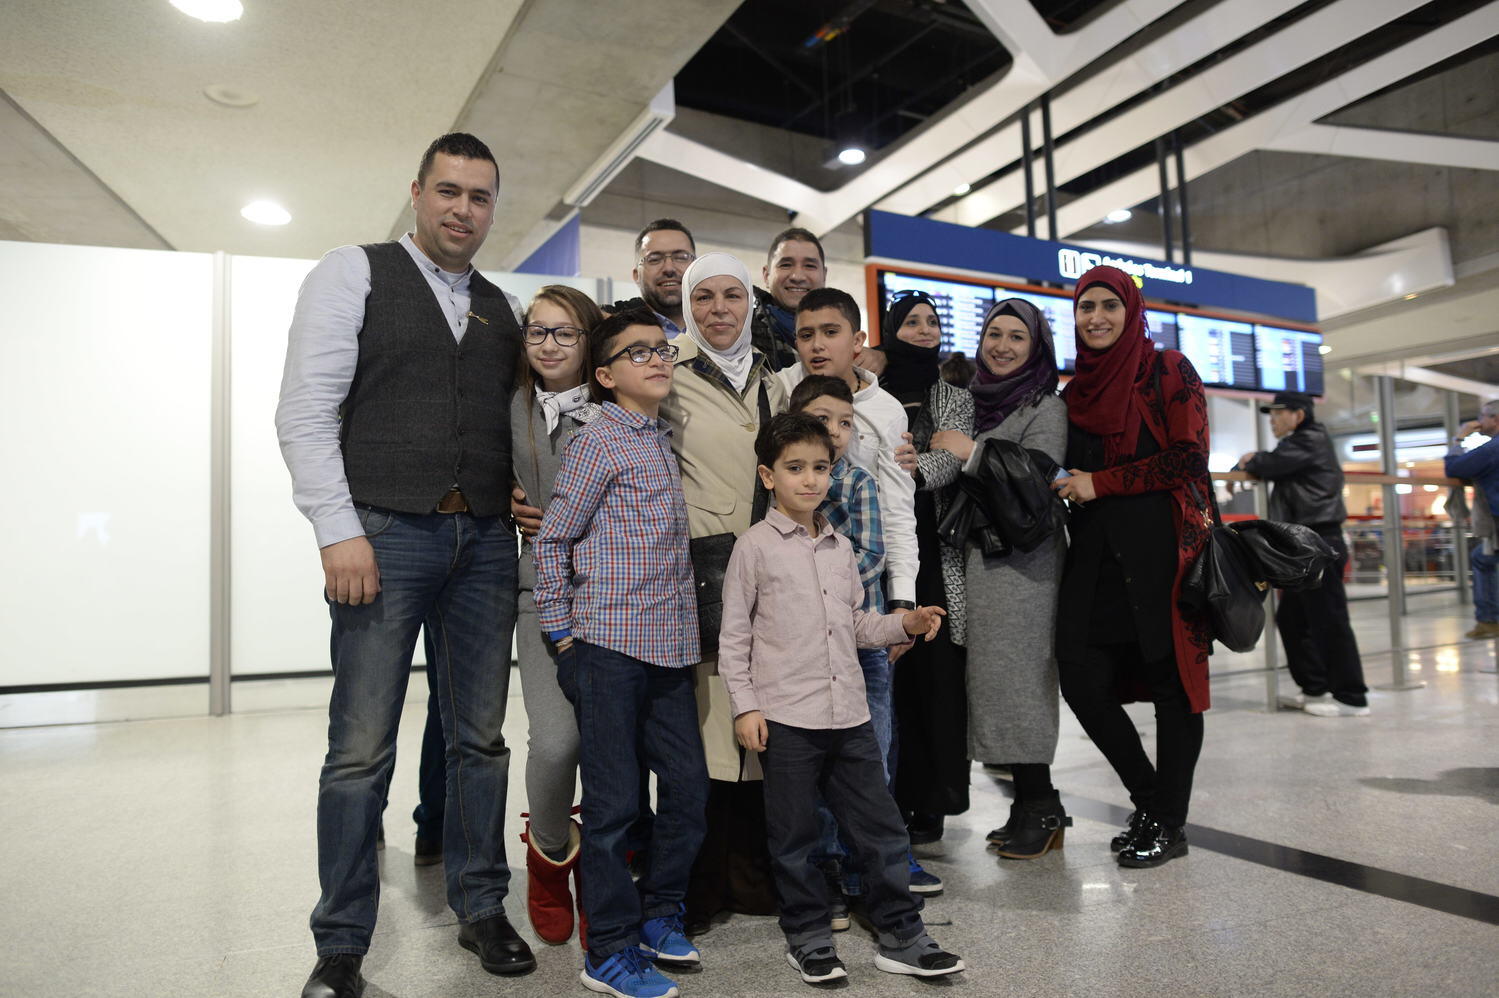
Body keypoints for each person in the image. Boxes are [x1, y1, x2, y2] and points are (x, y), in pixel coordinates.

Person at [275, 133, 533, 998]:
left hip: (484, 542)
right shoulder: (352, 271)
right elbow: (305, 410)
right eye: (448, 191)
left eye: (480, 196)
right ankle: (341, 942)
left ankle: (481, 906)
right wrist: (336, 529)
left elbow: (512, 422)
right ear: (417, 192)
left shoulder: (501, 306)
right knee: (359, 751)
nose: (463, 209)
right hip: (382, 534)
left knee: (479, 741)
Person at [718, 412, 964, 985]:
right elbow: (735, 637)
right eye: (795, 468)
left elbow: (855, 625)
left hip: (849, 715)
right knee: (795, 836)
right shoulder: (753, 549)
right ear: (768, 476)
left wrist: (903, 623)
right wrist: (745, 706)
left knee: (881, 829)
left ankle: (903, 934)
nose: (810, 479)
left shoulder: (840, 547)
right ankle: (807, 935)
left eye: (820, 467)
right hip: (787, 718)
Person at [532, 310, 708, 998]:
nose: (657, 359)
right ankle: (606, 949)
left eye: (661, 349)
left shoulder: (660, 438)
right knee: (611, 805)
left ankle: (660, 914)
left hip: (669, 648)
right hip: (606, 646)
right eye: (638, 353)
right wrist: (562, 636)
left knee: (687, 789)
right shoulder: (598, 440)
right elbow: (553, 539)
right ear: (604, 376)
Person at [1050, 265, 1213, 870]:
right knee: (1080, 678)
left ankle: (1169, 823)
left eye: (1108, 306)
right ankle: (1151, 800)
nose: (1096, 318)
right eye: (1085, 307)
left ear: (1131, 310)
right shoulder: (1075, 394)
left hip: (1162, 553)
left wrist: (1102, 482)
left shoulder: (1167, 369)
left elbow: (1190, 458)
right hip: (1095, 557)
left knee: (1173, 688)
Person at [659, 252, 788, 928]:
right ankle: (701, 881)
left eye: (731, 295)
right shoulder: (666, 370)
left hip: (769, 571)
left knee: (760, 718)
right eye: (703, 296)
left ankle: (752, 873)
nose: (718, 309)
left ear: (749, 304)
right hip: (697, 572)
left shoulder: (774, 378)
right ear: (687, 305)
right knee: (707, 726)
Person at [930, 298, 1069, 858]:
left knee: (1019, 680)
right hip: (982, 558)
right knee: (993, 680)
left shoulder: (1045, 405)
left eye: (1017, 337)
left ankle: (1043, 805)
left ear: (1037, 349)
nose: (1003, 346)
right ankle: (1028, 803)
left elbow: (1035, 481)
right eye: (995, 334)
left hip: (1023, 563)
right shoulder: (975, 401)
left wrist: (970, 451)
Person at [511, 286, 606, 945]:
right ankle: (548, 857)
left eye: (564, 332)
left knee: (610, 745)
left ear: (589, 339)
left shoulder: (618, 409)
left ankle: (604, 872)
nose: (549, 345)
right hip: (537, 593)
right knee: (554, 743)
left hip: (614, 596)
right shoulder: (510, 406)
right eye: (537, 332)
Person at [786, 374, 886, 929]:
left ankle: (865, 873)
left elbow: (871, 555)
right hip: (804, 646)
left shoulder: (858, 482)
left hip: (859, 638)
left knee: (870, 760)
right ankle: (825, 870)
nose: (836, 432)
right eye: (823, 420)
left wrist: (822, 585)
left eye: (845, 423)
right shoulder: (788, 485)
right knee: (814, 766)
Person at [876, 292, 973, 855]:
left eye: (932, 321)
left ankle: (932, 802)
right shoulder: (873, 386)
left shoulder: (952, 395)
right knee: (891, 676)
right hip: (882, 545)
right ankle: (887, 798)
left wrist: (913, 469)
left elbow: (951, 459)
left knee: (935, 677)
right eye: (911, 321)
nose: (923, 329)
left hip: (934, 548)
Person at [1241, 392, 1369, 717]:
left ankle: (1351, 697)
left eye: (1278, 413)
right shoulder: (1300, 443)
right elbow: (1273, 464)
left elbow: (1269, 464)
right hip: (1305, 544)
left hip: (1318, 543)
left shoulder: (1309, 439)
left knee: (1329, 619)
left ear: (1298, 415)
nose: (1272, 420)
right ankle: (1315, 689)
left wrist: (1251, 460)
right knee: (1293, 619)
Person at [1446, 400, 1499, 639]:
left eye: (1482, 417)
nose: (1479, 422)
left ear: (1495, 419)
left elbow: (1454, 467)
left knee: (1482, 558)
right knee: (1483, 557)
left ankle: (1489, 621)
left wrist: (1460, 438)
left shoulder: (1492, 449)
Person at [750, 227, 828, 371]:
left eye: (809, 266)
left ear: (824, 275)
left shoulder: (844, 338)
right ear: (767, 275)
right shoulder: (742, 338)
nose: (797, 277)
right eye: (786, 265)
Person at [608, 218, 697, 338]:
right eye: (654, 259)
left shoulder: (718, 328)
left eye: (681, 257)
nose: (669, 268)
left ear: (697, 268)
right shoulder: (612, 333)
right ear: (637, 275)